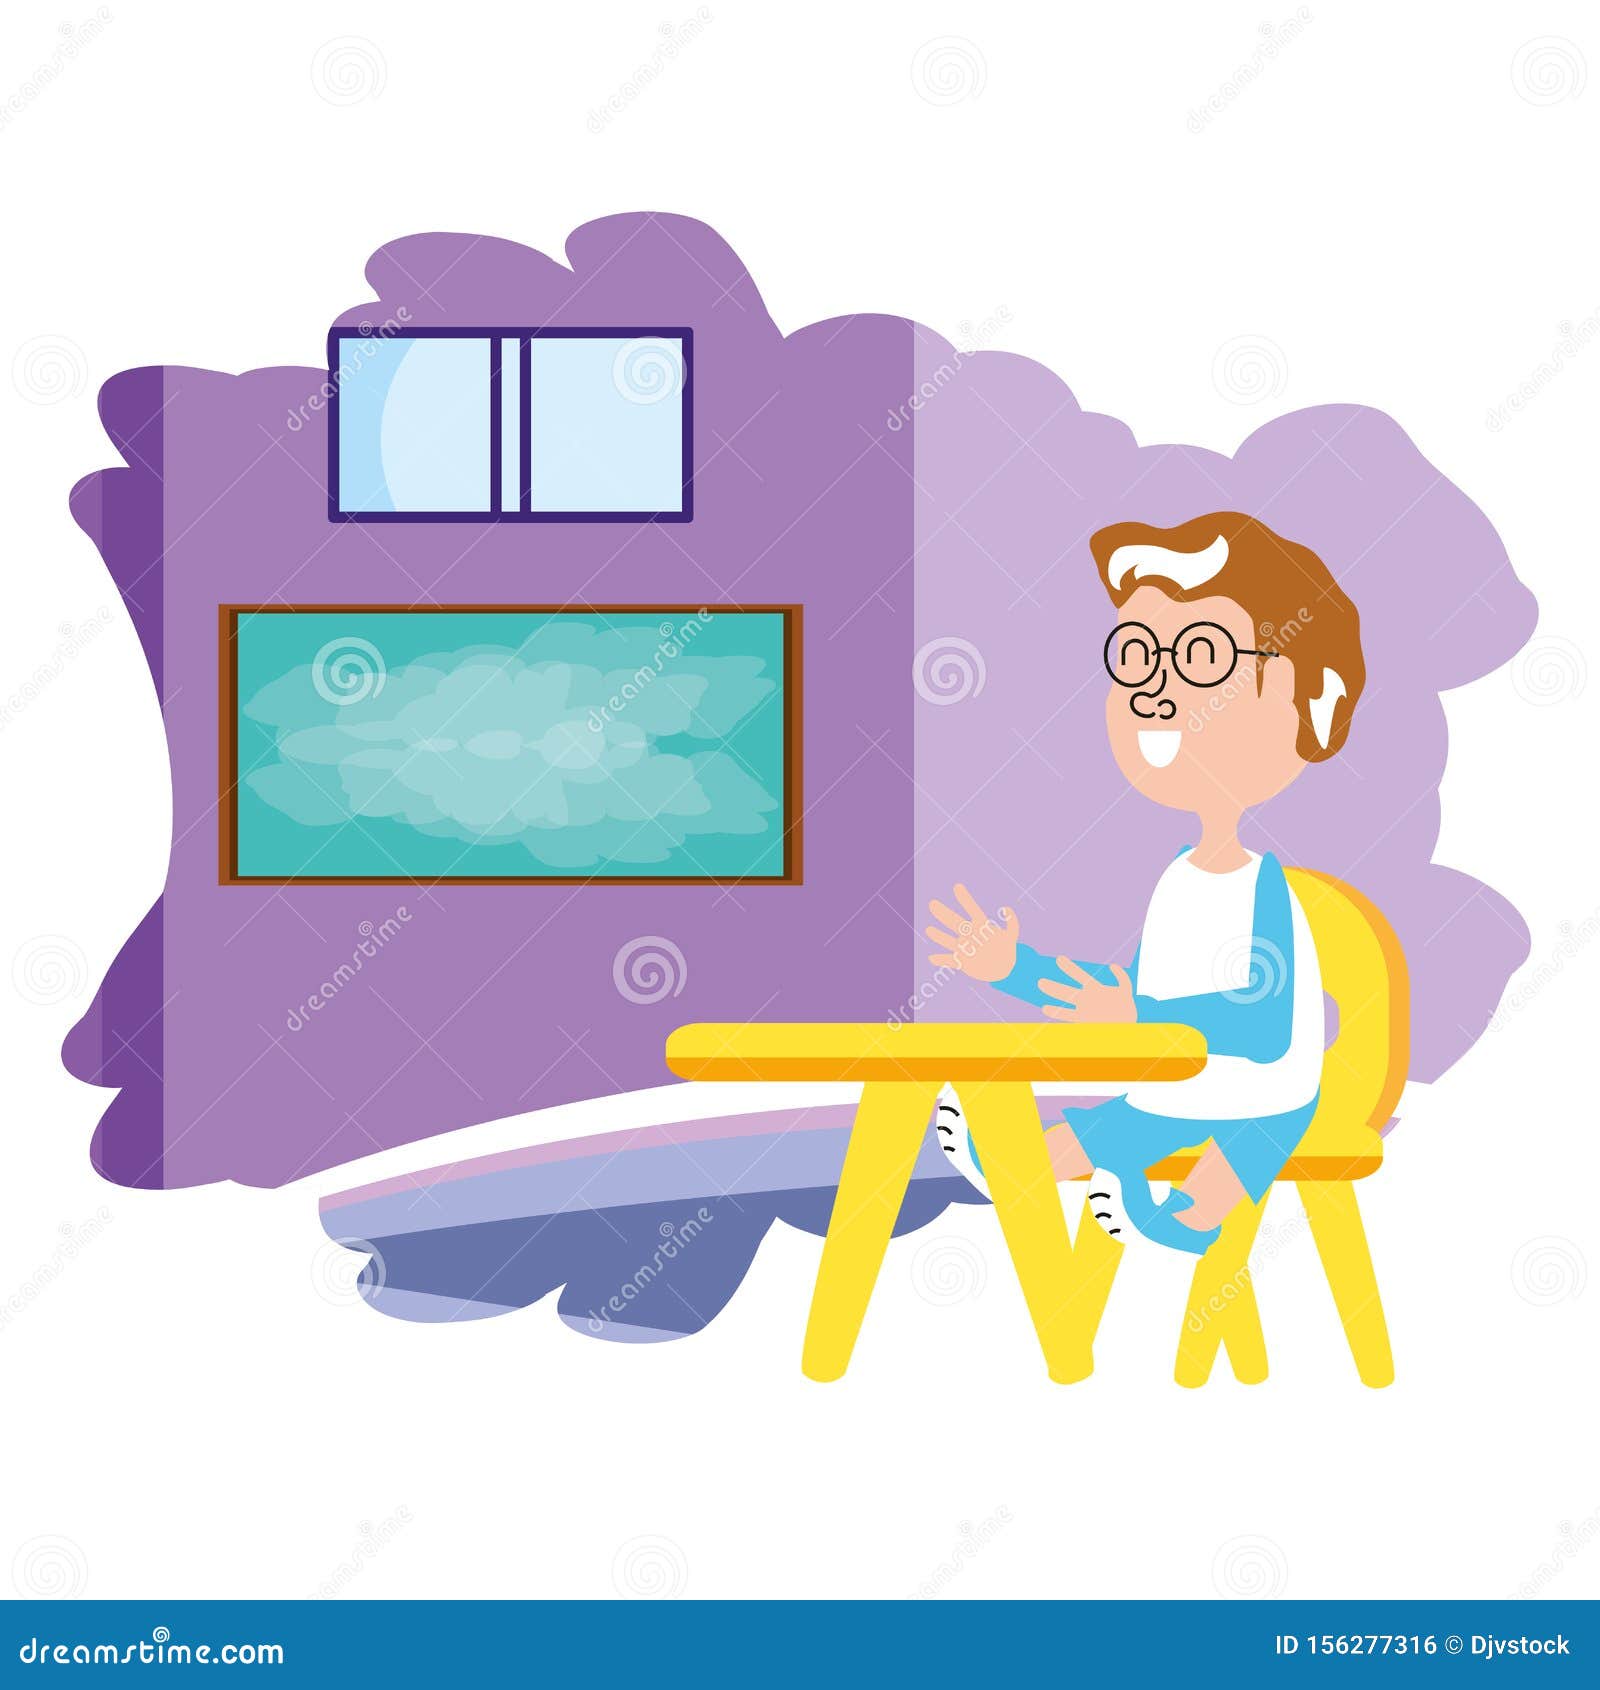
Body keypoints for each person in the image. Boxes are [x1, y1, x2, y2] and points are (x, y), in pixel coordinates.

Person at [926, 512, 1364, 1253]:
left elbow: (1260, 1021)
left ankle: (1187, 1226)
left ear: (1294, 693)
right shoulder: (1175, 879)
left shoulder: (1264, 887)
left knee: (1232, 1153)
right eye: (1137, 656)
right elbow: (1122, 990)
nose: (1157, 690)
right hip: (1174, 1084)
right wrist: (1017, 969)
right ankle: (1012, 1167)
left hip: (1267, 1094)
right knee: (1102, 1132)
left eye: (1199, 655)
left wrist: (1140, 1012)